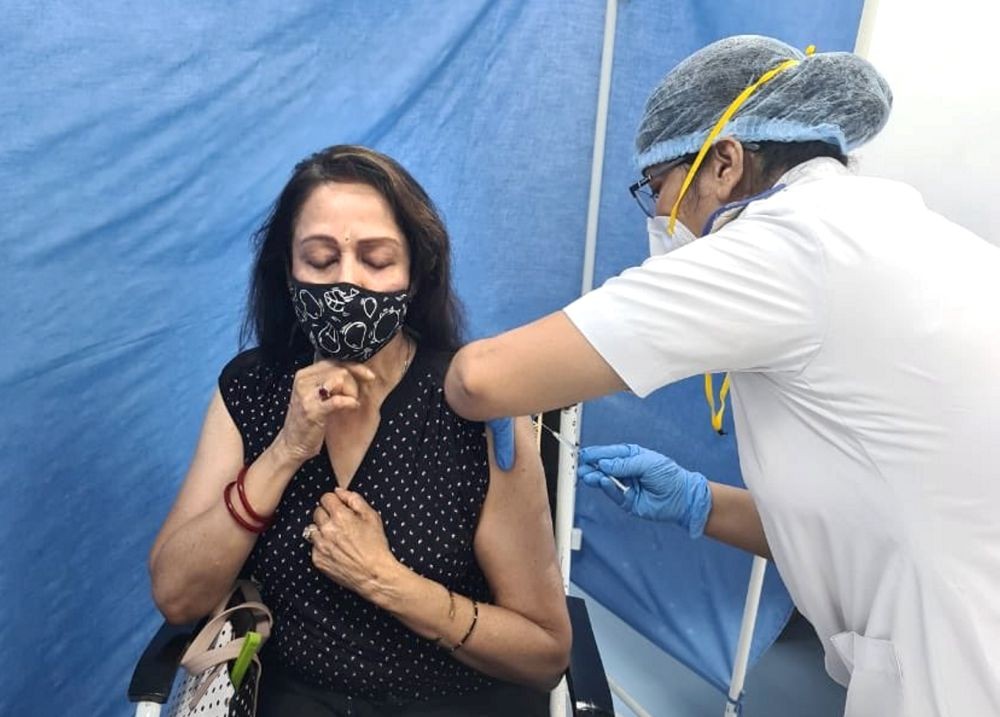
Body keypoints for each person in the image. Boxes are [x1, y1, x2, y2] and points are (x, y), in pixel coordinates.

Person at [444, 35, 1000, 717]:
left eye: (658, 189)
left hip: (959, 665)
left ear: (725, 162)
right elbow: (860, 517)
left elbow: (480, 378)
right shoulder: (900, 230)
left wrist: (493, 390)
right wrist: (701, 501)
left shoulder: (786, 245)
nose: (658, 218)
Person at [149, 145, 570, 716]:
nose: (347, 284)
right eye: (321, 261)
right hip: (295, 697)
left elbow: (544, 653)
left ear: (417, 275)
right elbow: (178, 596)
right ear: (288, 273)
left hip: (452, 700)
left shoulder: (474, 404)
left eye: (376, 260)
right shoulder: (252, 389)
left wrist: (388, 582)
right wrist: (283, 453)